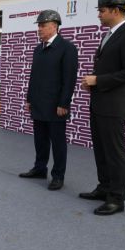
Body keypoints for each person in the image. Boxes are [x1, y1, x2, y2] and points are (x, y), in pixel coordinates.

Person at [80, 0, 125, 216]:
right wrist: (94, 84)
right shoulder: (109, 34)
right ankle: (104, 187)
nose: (99, 14)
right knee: (101, 149)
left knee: (115, 152)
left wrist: (98, 79)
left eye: (102, 10)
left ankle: (117, 198)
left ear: (115, 11)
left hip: (115, 106)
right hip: (100, 103)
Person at [19, 10, 78, 190]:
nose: (39, 29)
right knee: (40, 140)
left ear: (54, 26)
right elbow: (34, 77)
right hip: (38, 103)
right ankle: (39, 168)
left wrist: (64, 103)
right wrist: (29, 99)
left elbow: (69, 79)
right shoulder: (39, 48)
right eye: (39, 25)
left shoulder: (67, 48)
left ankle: (58, 175)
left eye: (43, 25)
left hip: (55, 106)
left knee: (58, 143)